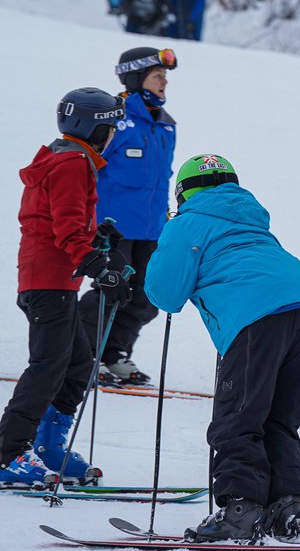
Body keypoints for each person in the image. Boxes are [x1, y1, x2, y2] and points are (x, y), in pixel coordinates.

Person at [144, 154, 300, 542]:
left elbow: (164, 294)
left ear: (183, 193)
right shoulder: (251, 219)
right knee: (278, 417)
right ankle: (288, 507)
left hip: (256, 314)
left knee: (238, 417)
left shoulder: (187, 222)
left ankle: (241, 512)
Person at [0, 88, 129, 488]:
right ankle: (7, 452)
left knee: (77, 364)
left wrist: (97, 236)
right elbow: (67, 228)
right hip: (49, 281)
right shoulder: (73, 162)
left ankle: (47, 445)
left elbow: (60, 218)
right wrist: (97, 266)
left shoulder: (64, 158)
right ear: (95, 129)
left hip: (54, 281)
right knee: (48, 366)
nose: (113, 135)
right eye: (111, 127)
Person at [81, 46, 178, 387]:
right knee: (109, 291)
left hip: (151, 229)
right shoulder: (114, 120)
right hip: (113, 229)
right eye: (157, 76)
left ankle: (114, 354)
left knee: (146, 298)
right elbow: (86, 169)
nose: (164, 82)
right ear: (136, 79)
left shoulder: (166, 125)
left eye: (164, 76)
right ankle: (84, 356)